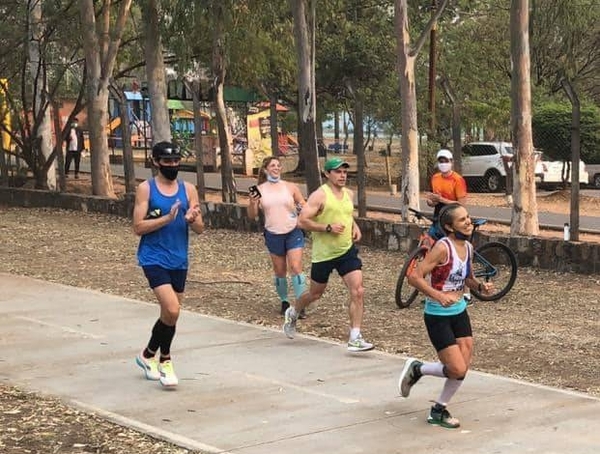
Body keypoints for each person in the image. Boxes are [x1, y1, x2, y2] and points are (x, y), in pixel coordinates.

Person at [398, 203, 493, 428]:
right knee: (457, 369)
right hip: (437, 315)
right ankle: (418, 369)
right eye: (462, 220)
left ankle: (438, 410)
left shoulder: (468, 247)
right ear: (449, 227)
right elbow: (414, 276)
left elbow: (467, 277)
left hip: (459, 311)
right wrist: (437, 295)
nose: (469, 222)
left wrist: (480, 287)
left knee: (463, 367)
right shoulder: (442, 248)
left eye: (468, 217)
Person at [283, 157, 374, 353]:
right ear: (327, 174)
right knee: (315, 294)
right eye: (337, 172)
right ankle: (294, 311)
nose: (342, 175)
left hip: (346, 251)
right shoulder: (319, 196)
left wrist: (354, 226)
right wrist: (327, 227)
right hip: (324, 254)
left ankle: (355, 337)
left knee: (358, 291)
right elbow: (302, 221)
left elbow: (346, 214)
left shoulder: (349, 194)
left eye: (344, 172)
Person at [132, 141, 204, 387]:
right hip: (153, 257)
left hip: (179, 258)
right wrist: (167, 219)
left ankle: (147, 354)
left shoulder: (188, 189)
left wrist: (192, 219)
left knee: (169, 315)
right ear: (155, 162)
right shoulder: (146, 189)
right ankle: (166, 360)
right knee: (172, 309)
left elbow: (200, 228)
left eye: (175, 161)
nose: (172, 165)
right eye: (167, 161)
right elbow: (138, 227)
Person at [247, 156, 308, 316]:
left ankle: (301, 304)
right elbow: (252, 215)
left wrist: (301, 207)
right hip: (273, 233)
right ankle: (284, 301)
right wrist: (252, 203)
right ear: (266, 169)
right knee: (280, 270)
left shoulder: (290, 187)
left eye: (278, 165)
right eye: (272, 165)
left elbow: (303, 205)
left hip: (293, 231)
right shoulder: (256, 189)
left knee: (295, 267)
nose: (276, 168)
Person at [425, 149, 467, 239]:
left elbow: (462, 204)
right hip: (438, 216)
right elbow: (431, 201)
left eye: (446, 161)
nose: (443, 164)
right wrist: (431, 201)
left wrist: (441, 200)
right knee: (429, 240)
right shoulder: (435, 178)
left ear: (451, 162)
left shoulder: (458, 180)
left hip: (453, 218)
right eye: (441, 161)